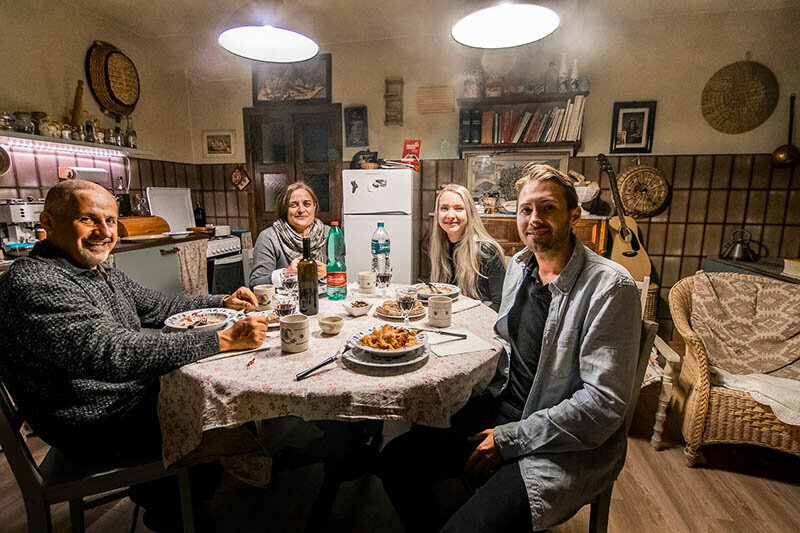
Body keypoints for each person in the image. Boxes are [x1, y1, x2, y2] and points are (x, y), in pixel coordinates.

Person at [381, 165, 642, 532]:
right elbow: (505, 348)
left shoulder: (610, 288)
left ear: (574, 215)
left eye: (548, 208)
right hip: (503, 409)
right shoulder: (520, 266)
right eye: (525, 209)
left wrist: (508, 440)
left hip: (560, 442)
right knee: (395, 460)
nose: (534, 218)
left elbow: (602, 406)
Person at [0, 180, 268, 530]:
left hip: (117, 400)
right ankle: (173, 509)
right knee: (217, 398)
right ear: (49, 223)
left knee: (217, 388)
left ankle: (182, 492)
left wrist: (221, 302)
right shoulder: (36, 283)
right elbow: (115, 353)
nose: (104, 231)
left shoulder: (95, 270)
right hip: (91, 422)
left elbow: (158, 305)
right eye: (88, 219)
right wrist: (223, 341)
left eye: (111, 221)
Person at [428, 184, 505, 311]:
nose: (450, 215)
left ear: (469, 213)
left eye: (458, 208)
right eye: (444, 208)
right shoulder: (439, 246)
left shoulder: (486, 250)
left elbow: (500, 303)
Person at [249, 181, 328, 289]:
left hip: (324, 300)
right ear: (284, 209)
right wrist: (285, 274)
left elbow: (342, 273)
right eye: (293, 205)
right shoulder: (269, 237)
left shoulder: (328, 233)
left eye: (307, 204)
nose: (301, 210)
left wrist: (328, 273)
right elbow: (255, 283)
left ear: (314, 207)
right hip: (284, 304)